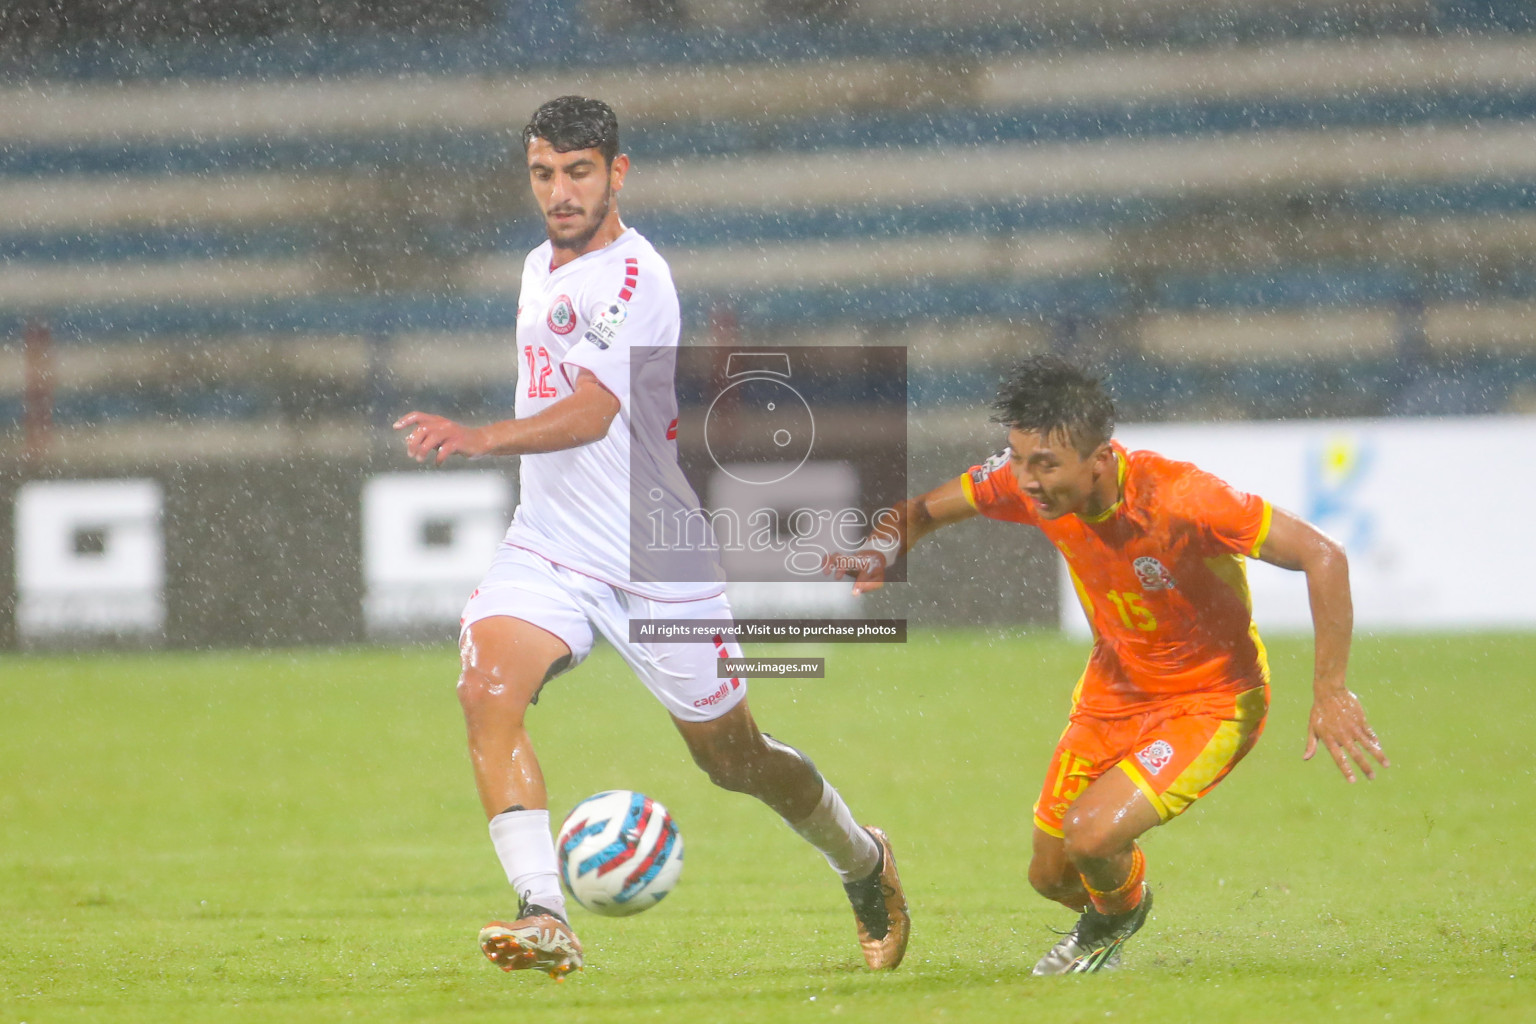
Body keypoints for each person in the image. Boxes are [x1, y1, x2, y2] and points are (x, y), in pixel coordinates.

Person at [393, 96, 908, 980]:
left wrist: (482, 437)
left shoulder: (637, 279)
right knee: (486, 690)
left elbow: (594, 413)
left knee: (735, 760)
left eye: (580, 171)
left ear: (617, 173)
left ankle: (863, 858)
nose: (560, 192)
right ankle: (544, 910)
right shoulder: (536, 267)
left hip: (653, 556)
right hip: (548, 544)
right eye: (544, 174)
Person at [828, 354, 1386, 974]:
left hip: (1211, 702)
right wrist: (884, 545)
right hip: (1113, 693)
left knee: (1092, 834)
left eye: (1044, 465)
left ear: (1099, 460)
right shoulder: (1024, 482)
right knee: (1050, 875)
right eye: (1016, 458)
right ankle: (1123, 902)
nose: (1027, 479)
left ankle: (1108, 926)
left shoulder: (1182, 498)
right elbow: (923, 511)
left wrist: (1331, 690)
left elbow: (1324, 556)